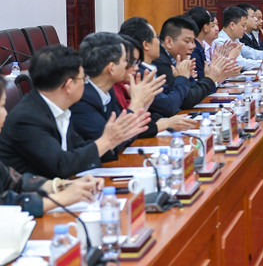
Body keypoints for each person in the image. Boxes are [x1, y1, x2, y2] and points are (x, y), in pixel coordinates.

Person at [0, 45, 150, 179]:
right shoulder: (27, 117)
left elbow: (79, 149)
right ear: (69, 85)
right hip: (29, 202)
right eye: (83, 79)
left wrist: (113, 140)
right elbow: (60, 165)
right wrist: (107, 141)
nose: (86, 84)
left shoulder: (59, 108)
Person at [0, 76, 103, 217]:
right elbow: (6, 204)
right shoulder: (27, 116)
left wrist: (65, 186)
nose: (5, 113)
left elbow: (17, 183)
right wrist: (62, 198)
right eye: (1, 106)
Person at [70, 32, 165, 142]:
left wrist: (145, 102)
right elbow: (111, 145)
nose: (128, 66)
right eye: (125, 61)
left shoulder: (108, 91)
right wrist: (137, 102)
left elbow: (131, 135)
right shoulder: (81, 100)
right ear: (111, 68)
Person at [153, 15, 238, 111]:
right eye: (187, 41)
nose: (192, 46)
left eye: (193, 41)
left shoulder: (180, 59)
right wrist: (210, 79)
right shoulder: (159, 62)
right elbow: (187, 99)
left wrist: (215, 79)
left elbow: (192, 89)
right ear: (169, 42)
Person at [214, 6, 263, 70]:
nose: (245, 28)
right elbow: (242, 64)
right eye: (243, 25)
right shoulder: (221, 42)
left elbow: (253, 53)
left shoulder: (235, 39)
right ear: (232, 25)